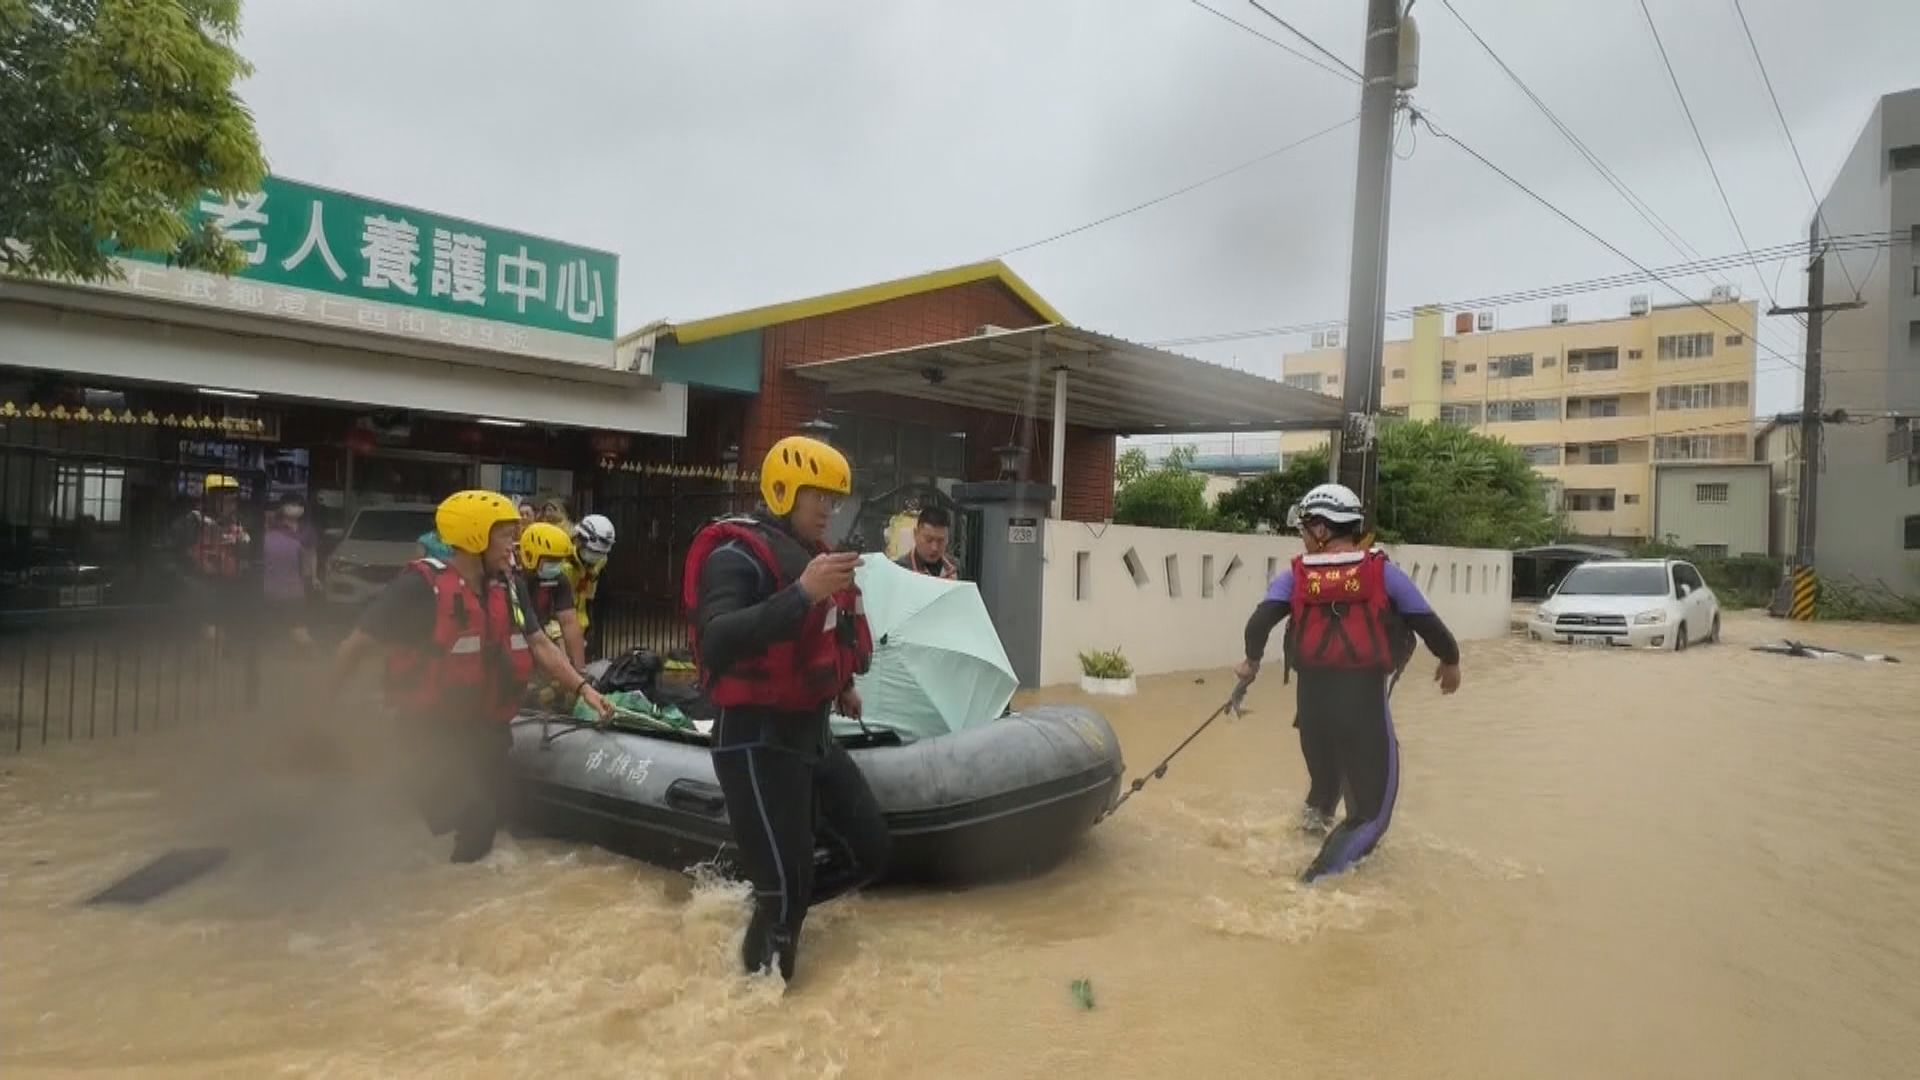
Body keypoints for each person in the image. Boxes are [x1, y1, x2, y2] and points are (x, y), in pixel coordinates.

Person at [685, 435, 889, 982]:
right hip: (754, 739)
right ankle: (757, 1004)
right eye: (817, 494)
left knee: (869, 850)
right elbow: (717, 641)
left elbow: (817, 637)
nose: (828, 508)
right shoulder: (734, 556)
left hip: (808, 731)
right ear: (782, 491)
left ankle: (775, 906)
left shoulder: (814, 558)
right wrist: (801, 592)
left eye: (834, 497)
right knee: (784, 894)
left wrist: (841, 683)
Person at [326, 490, 613, 863]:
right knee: (474, 817)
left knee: (486, 820)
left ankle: (461, 885)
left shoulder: (507, 586)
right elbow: (356, 646)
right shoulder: (420, 588)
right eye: (506, 534)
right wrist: (323, 709)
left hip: (485, 727)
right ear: (476, 535)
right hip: (430, 732)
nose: (515, 542)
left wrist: (583, 687)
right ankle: (444, 895)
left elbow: (540, 644)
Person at [1234, 483, 1462, 883]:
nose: (1303, 536)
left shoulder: (1297, 577)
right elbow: (1430, 625)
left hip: (1312, 710)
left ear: (1322, 530)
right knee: (1370, 816)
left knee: (1324, 790)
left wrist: (1251, 663)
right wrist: (1451, 662)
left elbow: (1258, 624)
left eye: (1306, 527)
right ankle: (1311, 885)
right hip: (1362, 706)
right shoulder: (1382, 573)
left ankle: (1291, 848)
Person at [519, 521, 589, 707]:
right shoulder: (516, 580)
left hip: (539, 635)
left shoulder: (559, 580)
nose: (555, 566)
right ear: (530, 556)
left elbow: (569, 623)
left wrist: (580, 673)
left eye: (558, 561)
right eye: (550, 561)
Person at [176, 473, 252, 641]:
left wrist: (239, 545)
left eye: (233, 499)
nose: (231, 504)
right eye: (226, 499)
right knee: (210, 632)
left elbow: (246, 548)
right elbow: (181, 551)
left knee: (221, 630)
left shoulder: (235, 524)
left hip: (229, 585)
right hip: (203, 585)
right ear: (212, 499)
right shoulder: (194, 520)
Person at [261, 497, 318, 646]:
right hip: (273, 588)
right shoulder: (268, 534)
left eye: (298, 504)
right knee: (279, 629)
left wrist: (312, 577)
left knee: (297, 628)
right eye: (291, 504)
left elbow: (310, 557)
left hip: (291, 589)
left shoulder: (304, 532)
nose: (295, 508)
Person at [566, 513, 616, 652]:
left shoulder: (600, 560)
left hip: (581, 616)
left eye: (600, 553)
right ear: (579, 539)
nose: (595, 556)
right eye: (593, 551)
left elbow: (588, 590)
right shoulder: (562, 561)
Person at [895, 505, 960, 579]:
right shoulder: (899, 570)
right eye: (929, 540)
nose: (934, 548)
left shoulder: (955, 568)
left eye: (941, 541)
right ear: (916, 534)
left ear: (948, 539)